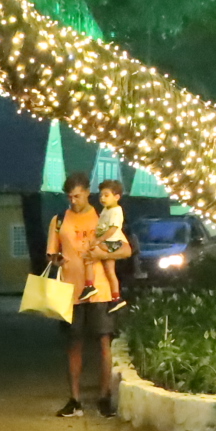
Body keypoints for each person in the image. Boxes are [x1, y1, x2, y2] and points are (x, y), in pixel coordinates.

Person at [47, 174, 130, 417]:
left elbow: (124, 248)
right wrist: (57, 259)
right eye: (70, 197)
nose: (73, 201)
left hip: (100, 290)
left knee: (104, 343)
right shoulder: (60, 220)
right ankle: (74, 399)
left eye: (78, 196)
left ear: (87, 193)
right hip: (71, 291)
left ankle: (104, 397)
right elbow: (51, 253)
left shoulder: (102, 217)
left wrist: (101, 255)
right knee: (74, 344)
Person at [93, 178, 128, 299]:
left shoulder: (116, 211)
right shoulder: (106, 209)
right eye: (101, 195)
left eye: (106, 195)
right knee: (109, 271)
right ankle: (115, 296)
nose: (102, 198)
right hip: (107, 241)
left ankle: (114, 296)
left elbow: (113, 229)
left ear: (117, 197)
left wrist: (100, 239)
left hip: (112, 242)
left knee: (93, 252)